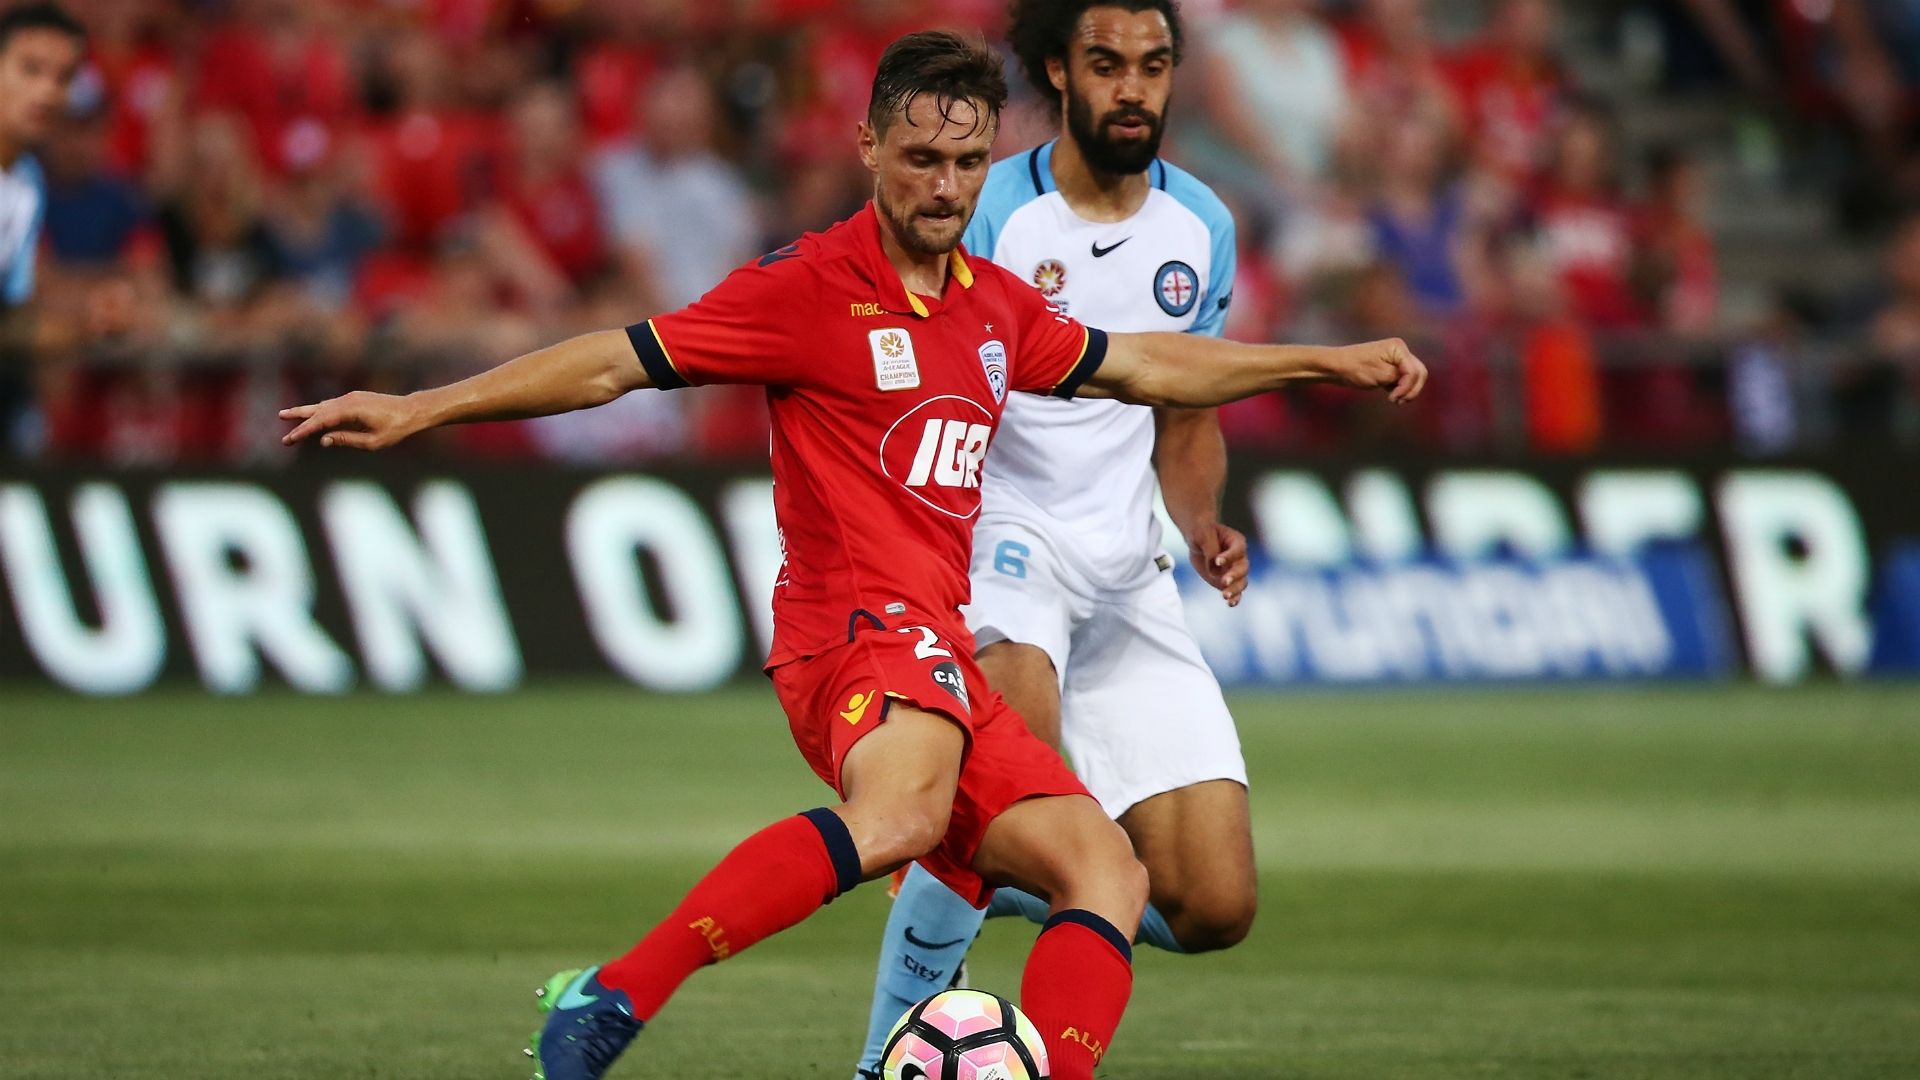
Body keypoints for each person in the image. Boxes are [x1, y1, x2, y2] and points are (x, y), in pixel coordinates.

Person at [280, 30, 1426, 1080]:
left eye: (966, 163)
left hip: (940, 650)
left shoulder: (994, 307)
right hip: (852, 633)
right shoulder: (807, 289)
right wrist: (423, 406)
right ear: (868, 145)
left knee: (1107, 874)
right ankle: (612, 997)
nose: (944, 186)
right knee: (903, 820)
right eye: (921, 158)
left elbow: (1151, 364)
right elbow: (615, 362)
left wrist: (1324, 363)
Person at [854, 3, 1263, 1075]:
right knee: (1011, 797)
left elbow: (1185, 410)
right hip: (1001, 546)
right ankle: (889, 1054)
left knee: (1215, 902)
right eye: (1107, 63)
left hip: (1128, 569)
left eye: (1154, 65)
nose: (1133, 88)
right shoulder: (994, 211)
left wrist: (1200, 520)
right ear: (1057, 71)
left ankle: (983, 880)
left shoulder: (1202, 224)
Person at [0, 2, 85, 455]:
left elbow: (9, 322)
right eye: (30, 69)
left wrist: (86, 324)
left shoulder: (28, 182)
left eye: (63, 77)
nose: (48, 92)